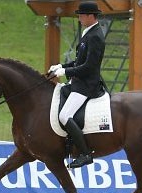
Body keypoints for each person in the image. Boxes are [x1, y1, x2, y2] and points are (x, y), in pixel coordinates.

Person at [49, 1, 105, 168]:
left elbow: (89, 67)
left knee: (64, 116)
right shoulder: (88, 33)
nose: (79, 18)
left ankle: (85, 153)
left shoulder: (95, 36)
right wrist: (62, 66)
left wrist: (66, 73)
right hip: (79, 82)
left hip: (87, 85)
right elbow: (79, 61)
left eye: (81, 15)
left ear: (90, 16)